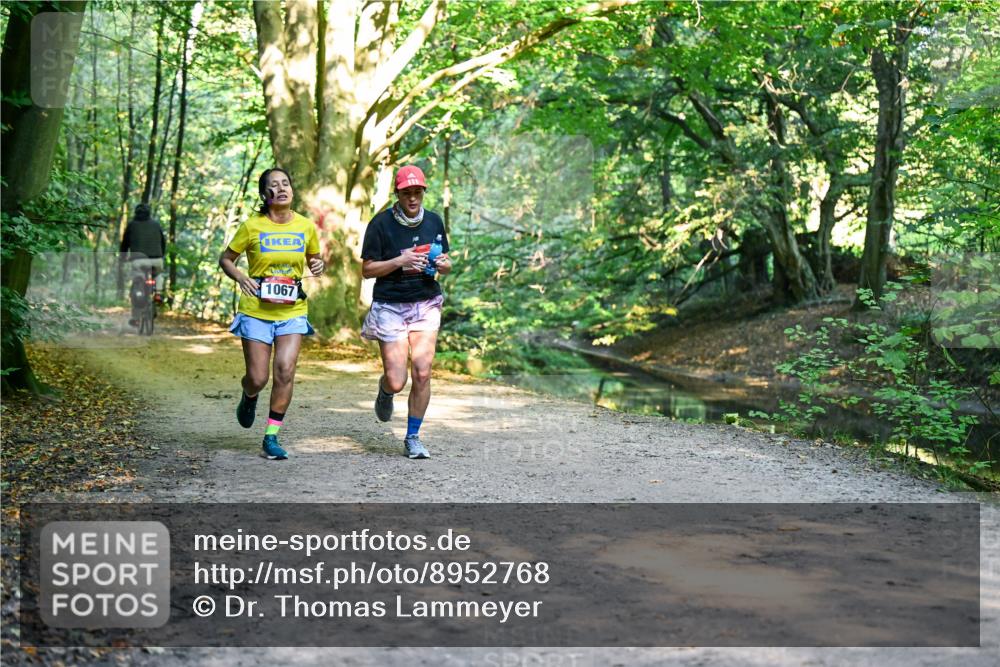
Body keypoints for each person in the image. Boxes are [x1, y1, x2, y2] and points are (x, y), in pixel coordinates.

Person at [218, 167, 325, 460]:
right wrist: (241, 277)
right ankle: (249, 395)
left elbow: (315, 259)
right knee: (257, 377)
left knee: (285, 370)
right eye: (274, 186)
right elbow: (226, 259)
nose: (281, 189)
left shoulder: (304, 226)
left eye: (285, 183)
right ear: (264, 195)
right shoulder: (252, 227)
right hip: (256, 310)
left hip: (292, 309)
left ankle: (271, 436)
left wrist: (318, 266)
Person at [361, 165, 453, 459]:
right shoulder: (381, 224)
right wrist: (400, 261)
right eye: (406, 193)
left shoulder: (434, 221)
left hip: (425, 302)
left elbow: (446, 260)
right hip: (390, 304)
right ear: (397, 194)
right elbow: (367, 270)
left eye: (417, 193)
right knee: (397, 379)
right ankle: (386, 390)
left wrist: (444, 266)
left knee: (423, 372)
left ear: (423, 192)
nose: (412, 199)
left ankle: (413, 437)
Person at [119, 203, 166, 326]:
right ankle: (159, 293)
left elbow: (125, 244)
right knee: (158, 274)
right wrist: (161, 255)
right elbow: (163, 242)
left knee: (137, 285)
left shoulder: (131, 225)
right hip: (157, 259)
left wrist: (123, 258)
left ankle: (136, 318)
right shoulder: (156, 225)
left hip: (138, 261)